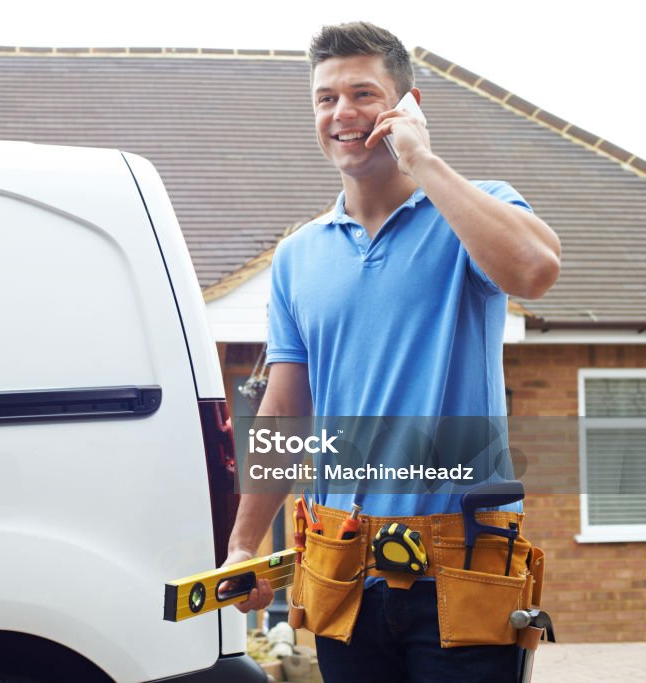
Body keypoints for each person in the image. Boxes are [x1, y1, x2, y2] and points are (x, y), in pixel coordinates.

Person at [222, 21, 560, 683]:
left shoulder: (473, 208)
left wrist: (424, 164)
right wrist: (242, 543)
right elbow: (286, 410)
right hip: (346, 574)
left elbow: (536, 270)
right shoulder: (298, 257)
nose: (342, 112)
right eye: (326, 98)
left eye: (362, 93)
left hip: (463, 572)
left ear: (408, 107)